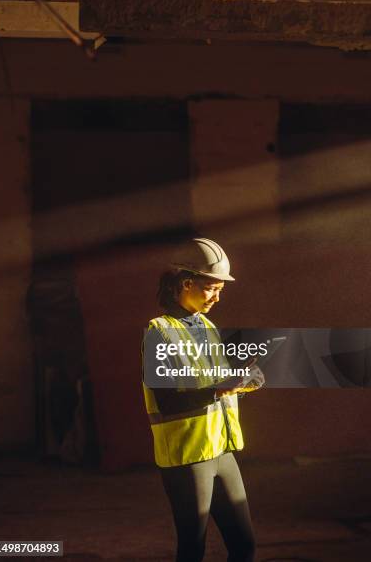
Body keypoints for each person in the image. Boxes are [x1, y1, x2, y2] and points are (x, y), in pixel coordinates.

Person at [142, 238, 257, 562]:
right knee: (193, 549)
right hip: (187, 456)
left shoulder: (206, 327)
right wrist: (220, 389)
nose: (218, 298)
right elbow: (168, 400)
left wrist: (246, 379)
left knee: (244, 545)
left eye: (221, 289)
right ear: (186, 283)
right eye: (212, 289)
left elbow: (212, 379)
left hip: (221, 449)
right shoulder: (159, 331)